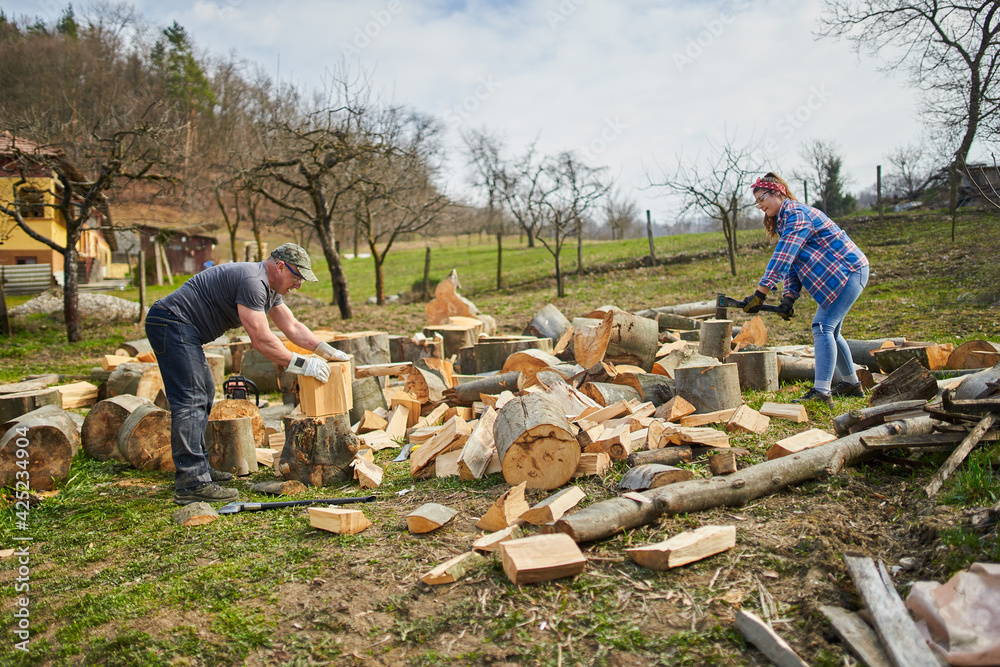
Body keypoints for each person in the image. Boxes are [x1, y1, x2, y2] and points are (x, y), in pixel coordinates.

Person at [144, 243, 350, 505]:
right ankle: (191, 482)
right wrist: (303, 364)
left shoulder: (269, 289)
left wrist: (325, 350)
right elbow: (261, 340)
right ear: (279, 266)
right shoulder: (253, 282)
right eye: (296, 277)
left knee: (204, 392)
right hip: (171, 322)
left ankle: (200, 469)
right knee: (191, 398)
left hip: (182, 328)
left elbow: (292, 326)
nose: (298, 285)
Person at [739, 173, 869, 408]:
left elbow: (783, 256)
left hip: (848, 271)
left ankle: (821, 391)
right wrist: (788, 297)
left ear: (778, 192)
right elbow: (792, 263)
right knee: (832, 330)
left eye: (763, 198)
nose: (760, 205)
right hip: (836, 277)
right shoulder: (786, 221)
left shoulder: (797, 215)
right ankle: (851, 384)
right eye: (757, 202)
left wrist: (760, 294)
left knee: (822, 326)